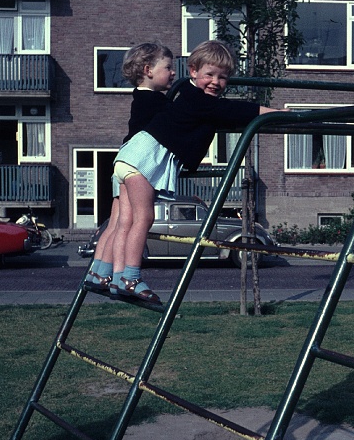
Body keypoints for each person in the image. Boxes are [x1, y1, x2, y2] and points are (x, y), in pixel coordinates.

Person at [108, 40, 286, 303]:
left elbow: (226, 110)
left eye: (223, 77)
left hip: (132, 156)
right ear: (193, 72)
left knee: (127, 220)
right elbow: (237, 110)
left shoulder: (188, 96)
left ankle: (115, 276)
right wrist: (277, 113)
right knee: (142, 219)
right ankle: (130, 277)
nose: (215, 82)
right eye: (209, 75)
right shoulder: (195, 98)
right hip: (143, 157)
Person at [86, 42, 176, 291]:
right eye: (168, 67)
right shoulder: (154, 100)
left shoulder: (140, 99)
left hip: (122, 162)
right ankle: (129, 276)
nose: (172, 72)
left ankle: (100, 272)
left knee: (118, 223)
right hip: (138, 163)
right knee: (142, 218)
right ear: (148, 70)